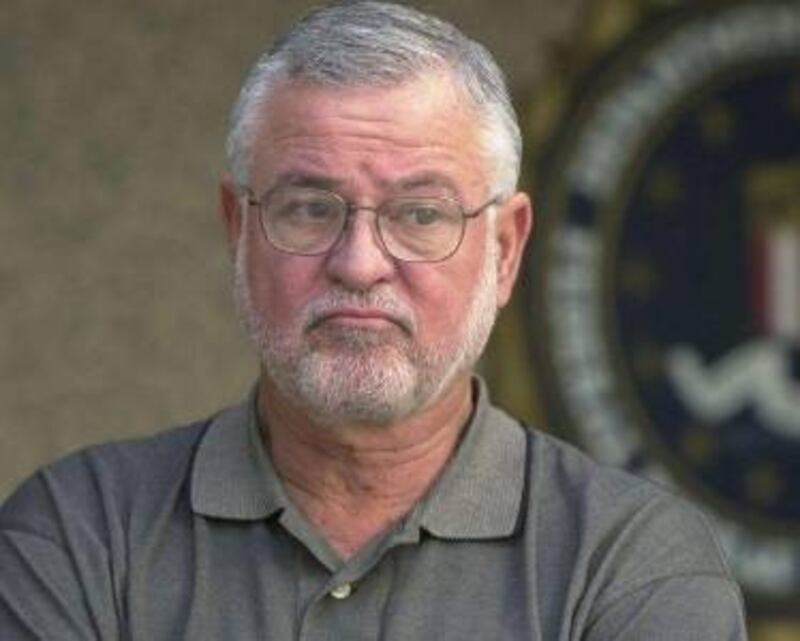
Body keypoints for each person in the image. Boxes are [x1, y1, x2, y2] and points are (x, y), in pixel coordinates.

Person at [0, 2, 747, 639]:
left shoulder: (628, 563)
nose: (359, 264)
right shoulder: (81, 534)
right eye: (309, 208)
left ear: (505, 249)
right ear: (238, 228)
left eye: (420, 214)